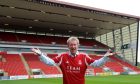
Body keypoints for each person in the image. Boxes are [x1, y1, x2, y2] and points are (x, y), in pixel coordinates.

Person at [32, 37, 114, 84]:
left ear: (78, 45)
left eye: (75, 44)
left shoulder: (84, 56)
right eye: (71, 45)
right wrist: (41, 55)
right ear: (68, 46)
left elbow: (96, 64)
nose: (73, 46)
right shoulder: (62, 56)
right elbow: (50, 62)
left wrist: (105, 57)